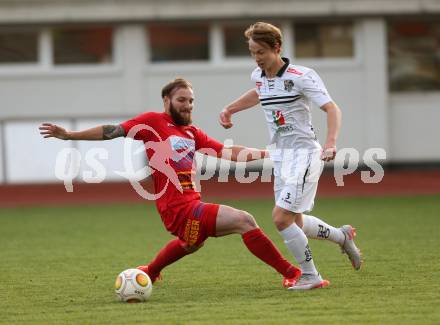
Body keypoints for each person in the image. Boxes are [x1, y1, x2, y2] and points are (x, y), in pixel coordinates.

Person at [39, 77, 302, 289]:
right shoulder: (153, 122)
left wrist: (271, 154)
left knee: (192, 243)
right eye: (181, 100)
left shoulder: (191, 132)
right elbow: (113, 131)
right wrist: (70, 134)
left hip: (191, 204)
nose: (188, 105)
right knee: (245, 220)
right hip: (178, 208)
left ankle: (151, 272)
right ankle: (293, 273)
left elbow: (228, 152)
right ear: (167, 101)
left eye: (191, 101)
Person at [219, 22, 362, 290]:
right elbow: (259, 92)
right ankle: (342, 236)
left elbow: (332, 109)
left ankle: (311, 276)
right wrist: (230, 109)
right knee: (295, 221)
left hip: (305, 156)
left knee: (280, 218)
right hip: (282, 157)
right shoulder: (259, 76)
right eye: (252, 52)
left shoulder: (301, 75)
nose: (257, 58)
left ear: (277, 48)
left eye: (261, 52)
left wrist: (331, 142)